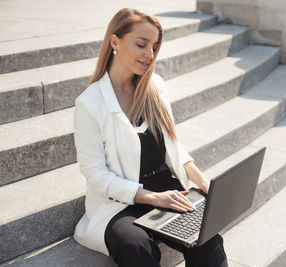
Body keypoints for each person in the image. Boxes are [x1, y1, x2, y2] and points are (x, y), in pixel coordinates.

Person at [72, 8, 228, 267]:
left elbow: (174, 147)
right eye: (141, 44)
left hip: (169, 189)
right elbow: (95, 174)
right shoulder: (89, 103)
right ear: (115, 42)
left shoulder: (154, 86)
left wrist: (203, 182)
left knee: (208, 239)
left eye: (154, 47)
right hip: (120, 203)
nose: (150, 55)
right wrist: (151, 197)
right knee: (136, 247)